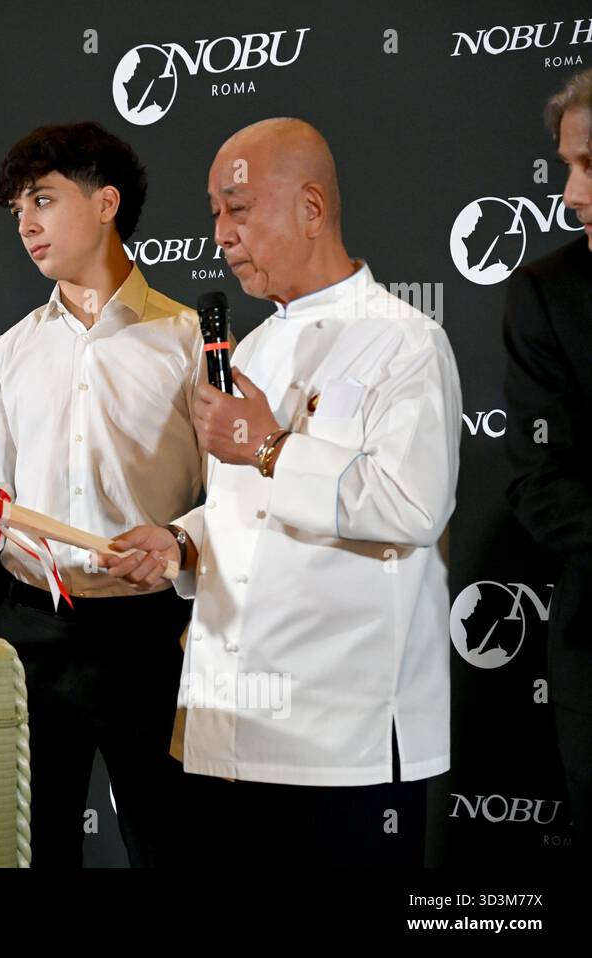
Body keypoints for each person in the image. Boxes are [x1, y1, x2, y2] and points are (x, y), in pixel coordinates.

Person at [101, 118, 462, 866]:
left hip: (342, 742)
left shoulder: (406, 341)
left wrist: (268, 447)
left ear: (310, 207)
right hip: (231, 728)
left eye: (238, 208)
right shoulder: (254, 346)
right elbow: (245, 510)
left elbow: (413, 507)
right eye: (213, 213)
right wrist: (182, 541)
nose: (221, 234)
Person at [0, 122, 205, 867]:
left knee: (170, 844)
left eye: (42, 199)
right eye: (16, 210)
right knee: (31, 850)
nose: (26, 224)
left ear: (106, 203)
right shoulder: (12, 350)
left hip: (150, 638)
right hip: (30, 631)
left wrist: (177, 540)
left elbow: (230, 496)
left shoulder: (187, 338)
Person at [504, 69, 592, 858]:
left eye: (590, 166)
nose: (571, 194)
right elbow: (540, 479)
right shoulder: (546, 295)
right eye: (567, 165)